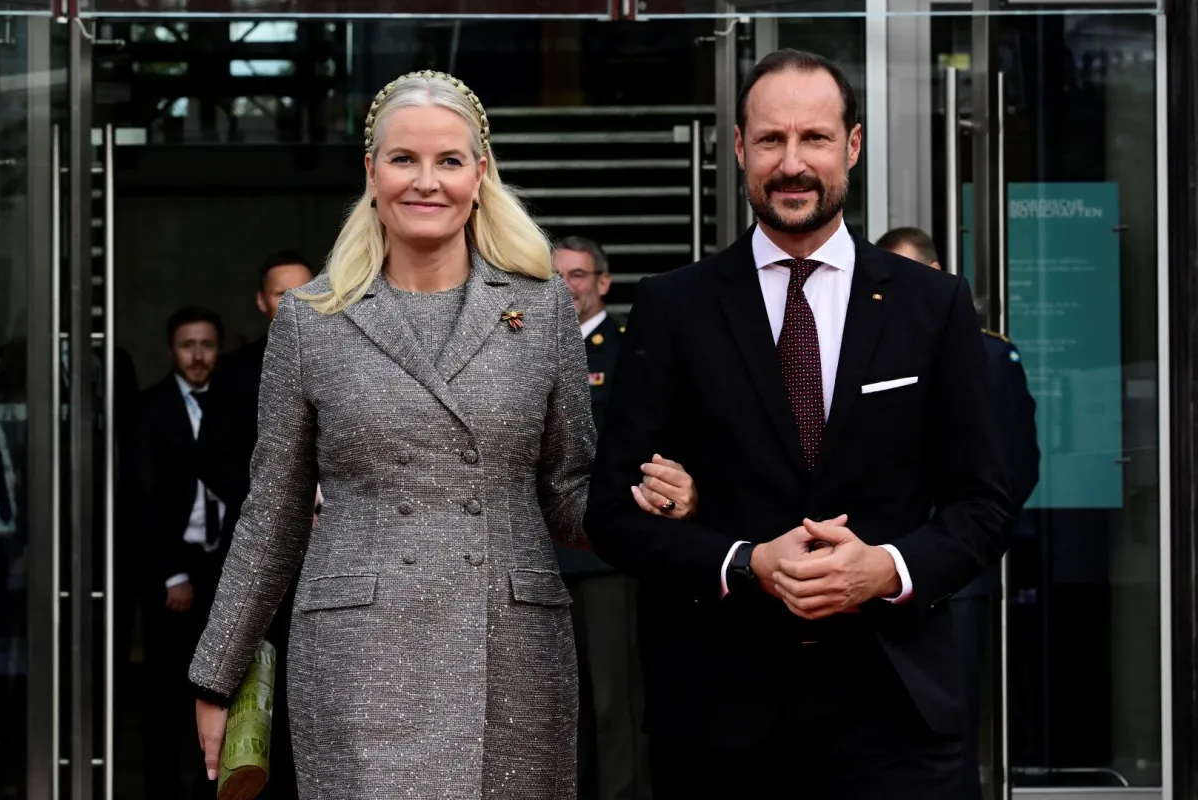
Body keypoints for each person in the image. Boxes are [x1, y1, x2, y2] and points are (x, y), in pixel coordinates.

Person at [187, 70, 698, 800]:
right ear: (371, 171)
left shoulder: (541, 304)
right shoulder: (312, 317)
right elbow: (272, 512)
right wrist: (218, 671)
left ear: (480, 174)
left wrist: (650, 504)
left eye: (449, 161)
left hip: (510, 646)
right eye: (404, 159)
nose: (426, 182)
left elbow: (568, 490)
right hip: (360, 652)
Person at [584, 49, 1014, 799]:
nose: (792, 163)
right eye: (771, 140)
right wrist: (744, 560)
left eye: (813, 138)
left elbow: (985, 500)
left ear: (850, 146)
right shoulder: (672, 307)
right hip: (720, 717)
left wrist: (887, 569)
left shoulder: (933, 304)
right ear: (741, 149)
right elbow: (614, 514)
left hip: (899, 709)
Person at [877, 225, 1040, 800]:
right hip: (867, 574)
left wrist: (955, 545)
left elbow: (1013, 468)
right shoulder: (864, 351)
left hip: (955, 574)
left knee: (949, 734)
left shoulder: (988, 352)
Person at [200, 250, 315, 800]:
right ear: (262, 301)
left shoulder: (341, 352)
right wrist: (278, 504)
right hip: (263, 546)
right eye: (281, 292)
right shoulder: (237, 370)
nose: (291, 301)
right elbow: (213, 455)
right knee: (253, 676)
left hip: (337, 550)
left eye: (302, 289)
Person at [552, 236, 652, 800]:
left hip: (604, 551)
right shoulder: (527, 346)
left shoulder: (627, 348)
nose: (566, 287)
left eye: (578, 276)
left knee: (614, 695)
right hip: (541, 552)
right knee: (558, 700)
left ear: (603, 284)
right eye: (556, 276)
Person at [135, 306, 230, 799]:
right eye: (187, 345)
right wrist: (171, 572)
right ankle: (162, 787)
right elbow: (143, 497)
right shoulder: (150, 408)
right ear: (171, 349)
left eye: (207, 344)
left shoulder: (237, 402)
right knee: (167, 685)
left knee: (222, 679)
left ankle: (208, 785)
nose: (197, 355)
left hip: (226, 562)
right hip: (173, 562)